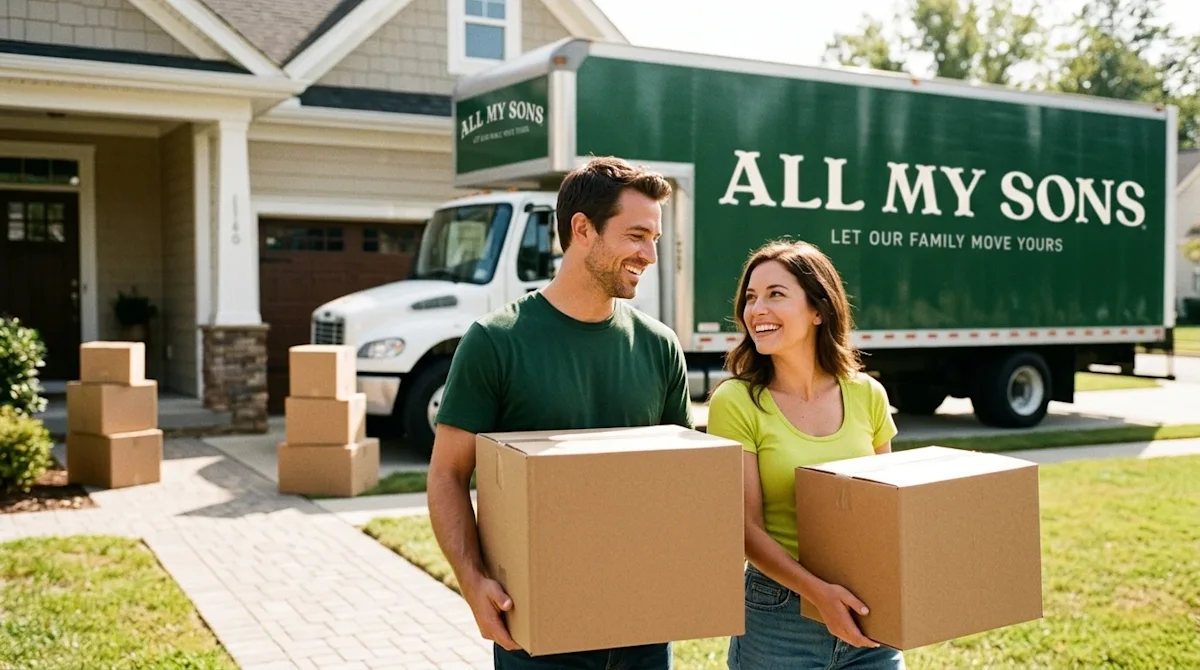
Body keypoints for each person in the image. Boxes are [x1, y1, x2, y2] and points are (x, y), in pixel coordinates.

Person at [426, 156, 693, 670]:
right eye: (637, 235)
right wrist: (472, 581)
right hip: (538, 631)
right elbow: (447, 474)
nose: (650, 254)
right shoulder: (496, 342)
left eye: (655, 239)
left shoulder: (659, 347)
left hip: (644, 626)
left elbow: (675, 483)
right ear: (582, 229)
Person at [705, 239, 906, 670]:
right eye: (750, 298)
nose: (756, 309)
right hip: (779, 614)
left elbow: (886, 510)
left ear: (818, 310)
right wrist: (820, 595)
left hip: (868, 608)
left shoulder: (867, 394)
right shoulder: (736, 401)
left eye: (776, 294)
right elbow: (745, 529)